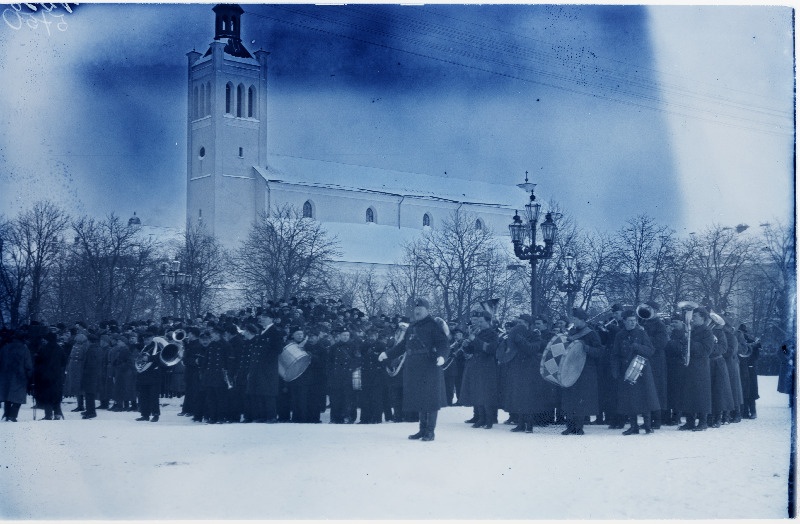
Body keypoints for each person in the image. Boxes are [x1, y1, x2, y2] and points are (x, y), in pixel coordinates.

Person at [379, 297, 449, 441]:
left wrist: (442, 357)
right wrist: (387, 354)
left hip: (429, 366)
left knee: (430, 400)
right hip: (414, 367)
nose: (417, 311)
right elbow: (403, 346)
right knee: (420, 398)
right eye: (416, 309)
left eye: (420, 308)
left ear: (427, 310)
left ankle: (430, 431)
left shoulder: (433, 325)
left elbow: (443, 343)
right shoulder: (412, 326)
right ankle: (422, 430)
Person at [612, 309, 660, 435]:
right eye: (630, 321)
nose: (633, 323)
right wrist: (615, 370)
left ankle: (648, 425)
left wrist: (637, 346)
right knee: (629, 399)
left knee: (645, 397)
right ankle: (634, 426)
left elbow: (651, 350)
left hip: (642, 369)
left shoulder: (642, 333)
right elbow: (615, 354)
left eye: (634, 321)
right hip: (626, 369)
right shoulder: (619, 335)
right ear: (624, 321)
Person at [560, 308, 604, 435]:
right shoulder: (572, 332)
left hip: (585, 370)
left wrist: (587, 348)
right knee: (569, 398)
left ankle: (579, 427)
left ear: (583, 320)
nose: (573, 321)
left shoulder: (591, 334)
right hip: (571, 368)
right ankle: (569, 426)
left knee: (581, 399)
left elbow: (600, 351)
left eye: (575, 319)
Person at [458, 309, 500, 430]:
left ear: (488, 321)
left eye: (481, 321)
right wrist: (466, 346)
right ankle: (481, 418)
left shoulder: (493, 334)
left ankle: (489, 420)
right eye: (479, 321)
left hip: (487, 366)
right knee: (478, 391)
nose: (479, 323)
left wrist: (474, 340)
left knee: (486, 393)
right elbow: (472, 349)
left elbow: (491, 349)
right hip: (477, 365)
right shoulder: (479, 333)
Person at [677, 307, 714, 431]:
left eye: (696, 316)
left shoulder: (707, 332)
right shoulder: (692, 329)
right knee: (688, 394)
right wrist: (684, 340)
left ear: (703, 318)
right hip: (690, 365)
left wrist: (689, 342)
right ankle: (690, 421)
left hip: (700, 367)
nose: (693, 318)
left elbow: (706, 350)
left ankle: (703, 422)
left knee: (701, 394)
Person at [0, 332, 33, 422]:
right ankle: (13, 415)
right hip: (19, 377)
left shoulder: (5, 348)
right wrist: (30, 377)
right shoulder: (24, 349)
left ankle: (7, 414)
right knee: (18, 397)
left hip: (5, 376)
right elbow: (28, 365)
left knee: (7, 395)